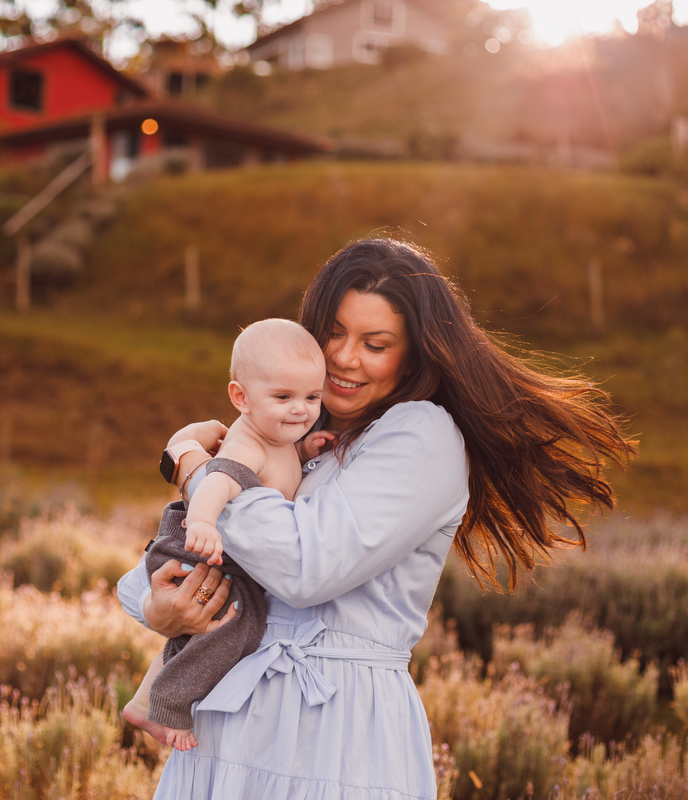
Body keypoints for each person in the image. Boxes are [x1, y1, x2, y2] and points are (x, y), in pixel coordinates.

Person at [116, 238, 636, 799]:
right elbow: (187, 560)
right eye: (334, 332)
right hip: (231, 719)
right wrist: (158, 608)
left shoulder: (422, 434)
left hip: (336, 727)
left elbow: (306, 566)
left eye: (375, 343)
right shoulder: (298, 433)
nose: (343, 356)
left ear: (414, 352)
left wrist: (193, 466)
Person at [123, 318, 332, 752]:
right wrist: (201, 522)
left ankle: (145, 700)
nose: (301, 410)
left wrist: (305, 449)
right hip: (195, 545)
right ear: (241, 398)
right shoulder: (247, 445)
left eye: (312, 397)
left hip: (215, 552)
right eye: (284, 397)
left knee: (208, 625)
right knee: (238, 624)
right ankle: (170, 703)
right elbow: (216, 481)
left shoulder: (274, 436)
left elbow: (280, 464)